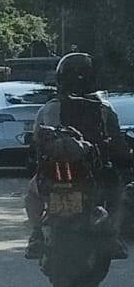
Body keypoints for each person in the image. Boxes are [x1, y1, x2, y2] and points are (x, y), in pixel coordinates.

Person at [25, 53, 130, 259]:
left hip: (57, 174)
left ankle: (36, 234)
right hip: (93, 173)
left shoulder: (49, 108)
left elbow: (36, 139)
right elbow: (117, 142)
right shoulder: (103, 109)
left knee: (32, 193)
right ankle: (112, 237)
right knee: (118, 195)